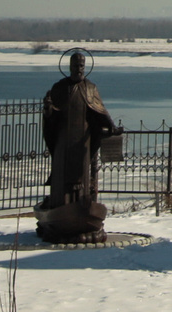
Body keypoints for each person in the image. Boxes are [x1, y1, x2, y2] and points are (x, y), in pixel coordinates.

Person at [35, 49, 120, 241]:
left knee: (81, 177)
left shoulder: (91, 88)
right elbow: (52, 117)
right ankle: (60, 211)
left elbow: (100, 111)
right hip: (63, 141)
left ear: (85, 67)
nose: (78, 69)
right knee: (62, 175)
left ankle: (81, 207)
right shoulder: (59, 88)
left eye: (81, 65)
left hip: (83, 141)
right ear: (69, 67)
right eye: (75, 65)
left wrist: (111, 126)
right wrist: (48, 110)